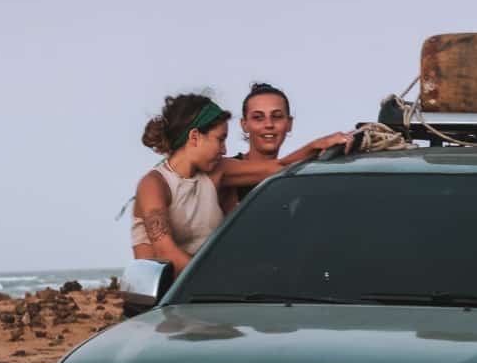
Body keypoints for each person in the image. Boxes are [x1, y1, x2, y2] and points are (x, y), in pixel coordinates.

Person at [218, 82, 354, 215]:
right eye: (258, 118)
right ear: (244, 124)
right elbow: (279, 167)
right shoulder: (223, 168)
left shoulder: (295, 181)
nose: (269, 124)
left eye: (277, 117)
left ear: (289, 124)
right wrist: (315, 145)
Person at [132, 93, 232, 272]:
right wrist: (222, 282)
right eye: (220, 139)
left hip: (209, 294)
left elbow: (277, 166)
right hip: (166, 297)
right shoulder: (153, 185)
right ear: (194, 137)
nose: (225, 150)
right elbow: (165, 251)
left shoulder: (213, 173)